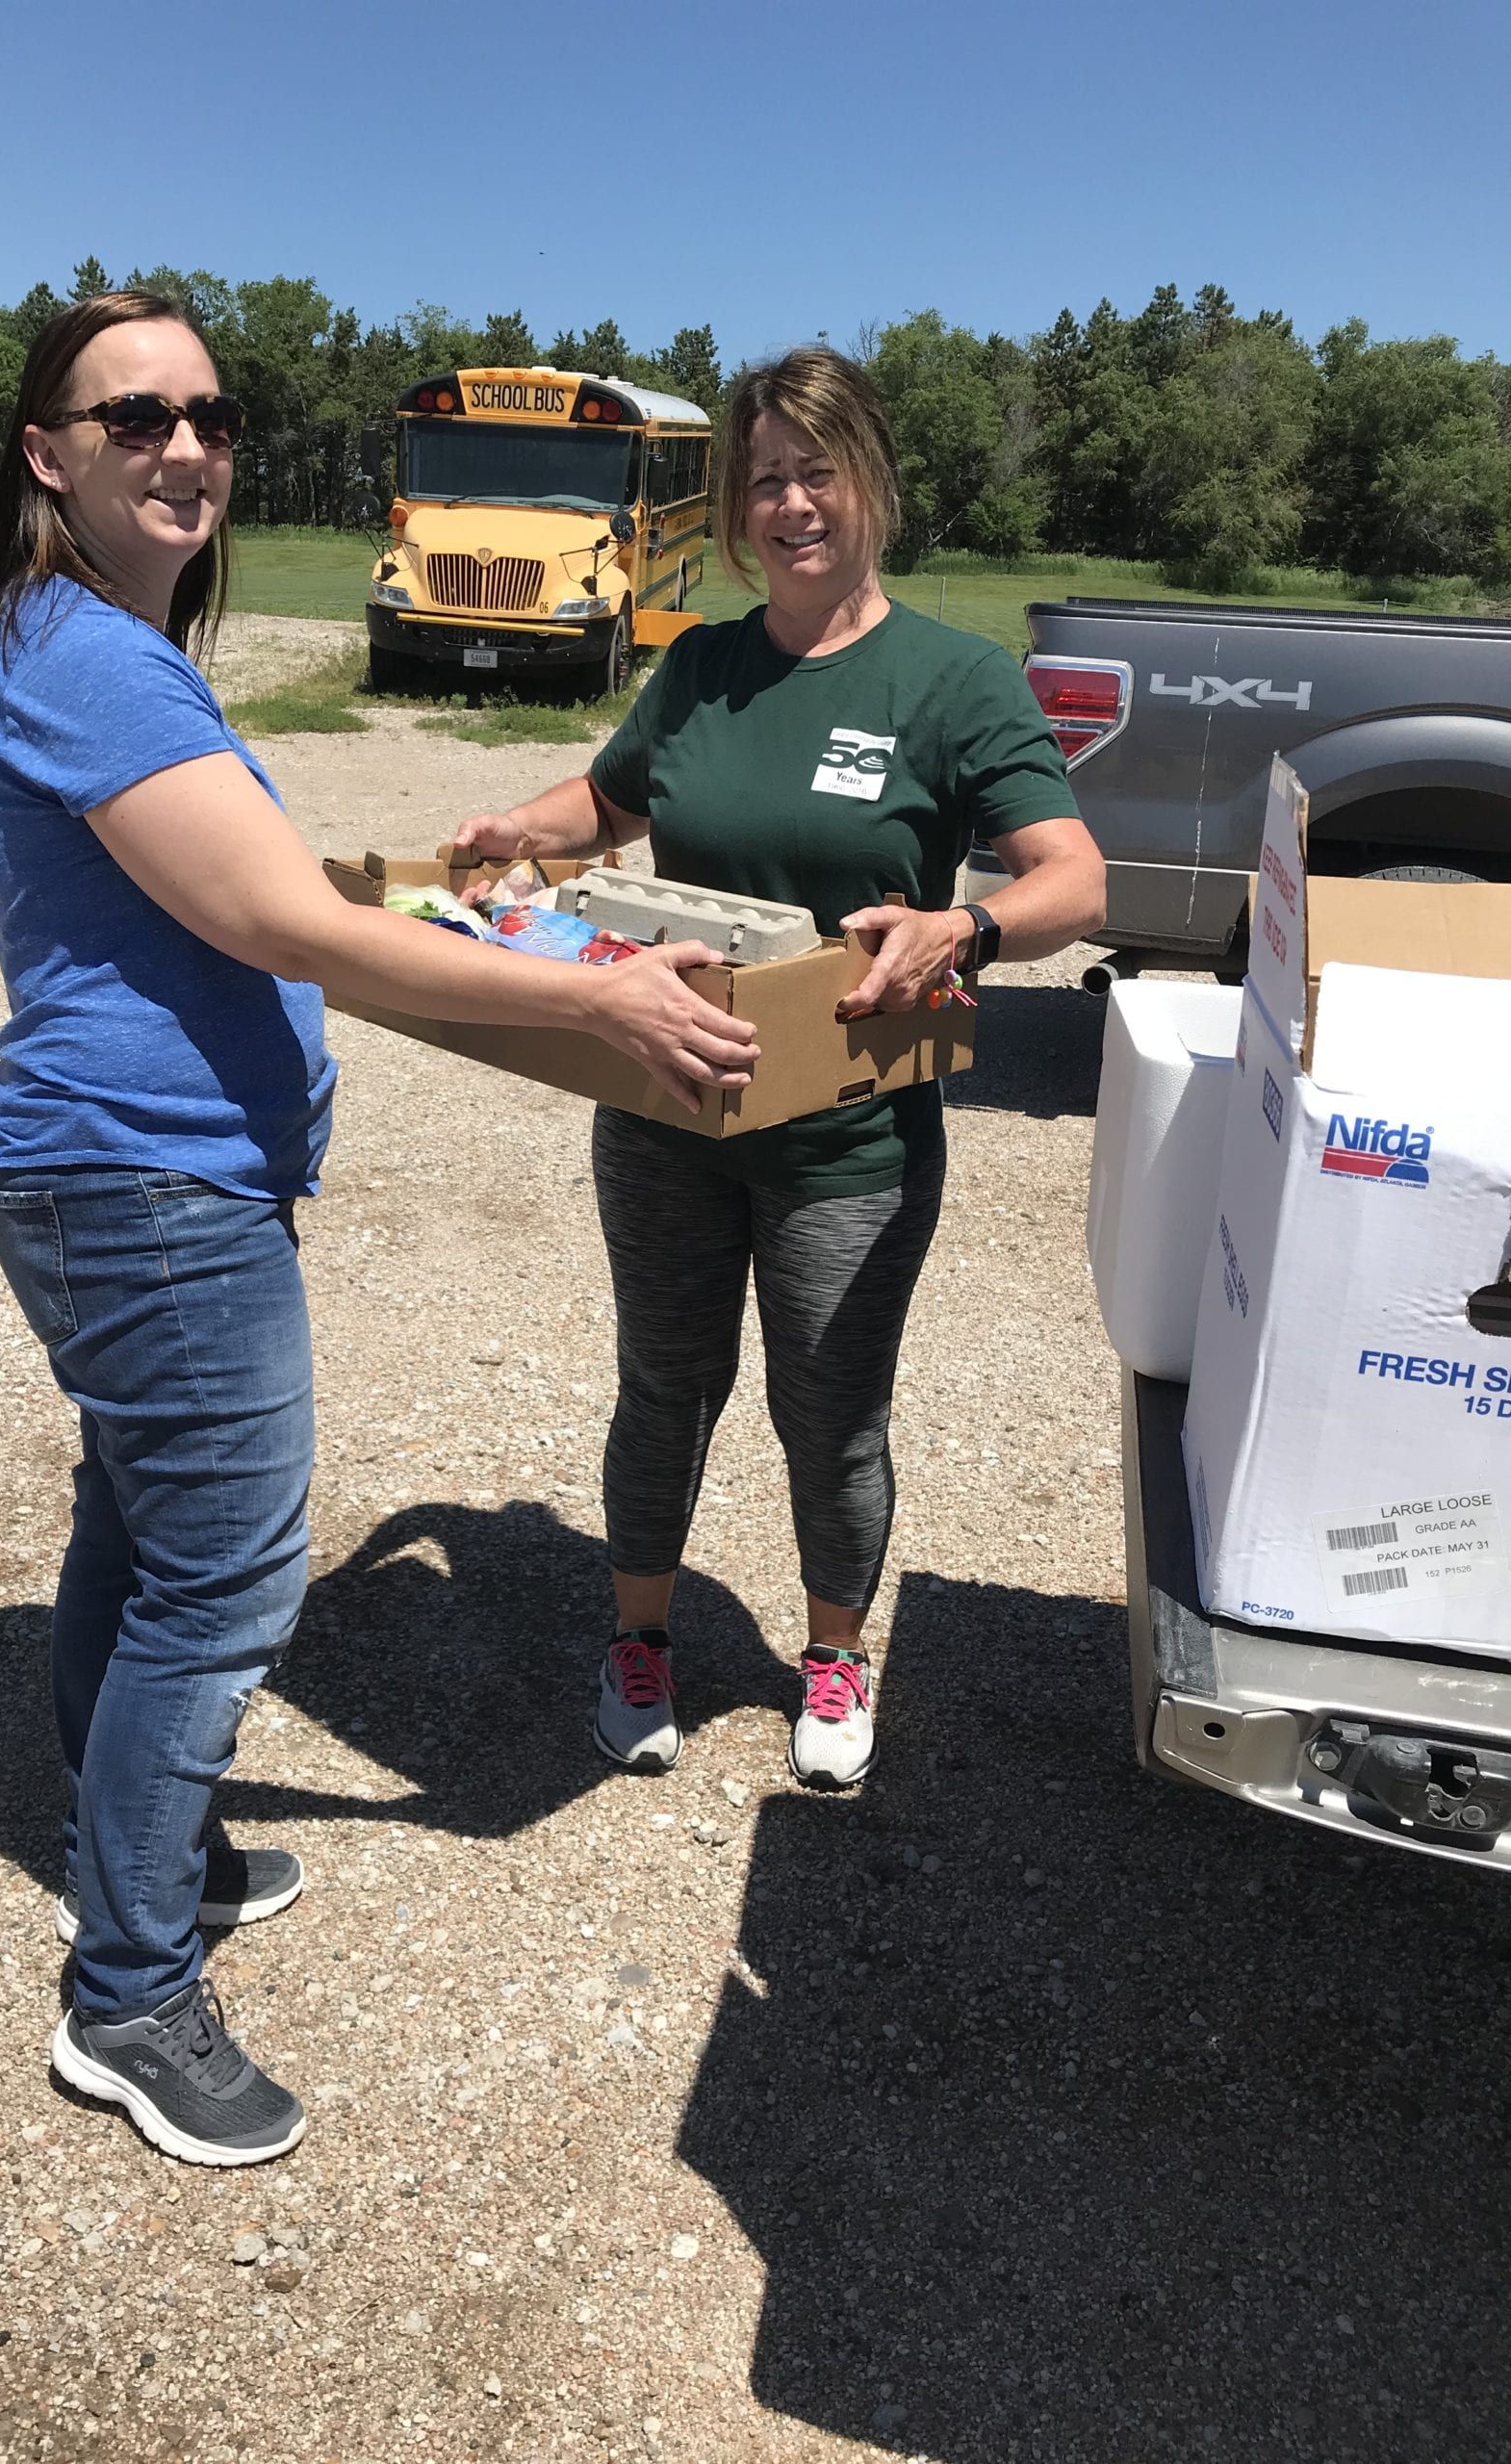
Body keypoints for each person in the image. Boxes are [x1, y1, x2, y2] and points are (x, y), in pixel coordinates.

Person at [0, 291, 758, 2168]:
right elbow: (281, 922)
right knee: (222, 1584)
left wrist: (490, 928)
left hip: (135, 1177)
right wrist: (599, 1002)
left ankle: (137, 1847)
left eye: (210, 416)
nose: (183, 445)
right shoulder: (84, 656)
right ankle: (129, 1991)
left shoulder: (92, 646)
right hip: (145, 1189)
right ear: (45, 452)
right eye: (131, 413)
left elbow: (289, 906)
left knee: (138, 1537)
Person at [454, 346, 1105, 1793]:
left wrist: (968, 924)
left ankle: (831, 1653)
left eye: (818, 471)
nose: (793, 503)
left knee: (830, 1405)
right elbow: (612, 802)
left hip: (849, 1146)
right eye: (766, 480)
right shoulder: (700, 665)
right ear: (741, 510)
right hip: (667, 1108)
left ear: (871, 480)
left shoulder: (954, 679)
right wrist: (523, 824)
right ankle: (640, 1639)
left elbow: (1074, 880)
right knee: (663, 1386)